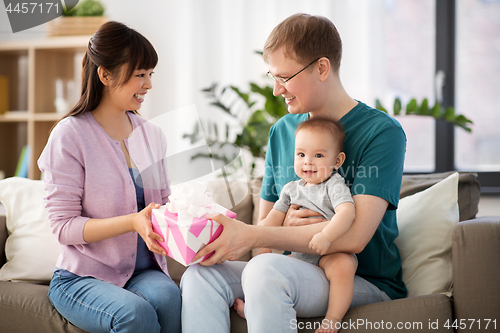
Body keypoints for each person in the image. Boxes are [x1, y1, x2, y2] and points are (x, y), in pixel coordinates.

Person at [181, 13, 407, 333]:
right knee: (201, 275)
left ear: (322, 68)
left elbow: (354, 237)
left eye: (284, 77)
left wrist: (258, 234)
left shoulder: (382, 132)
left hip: (359, 279)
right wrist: (269, 233)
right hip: (293, 270)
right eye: (273, 77)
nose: (276, 90)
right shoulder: (282, 131)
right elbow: (265, 235)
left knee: (266, 271)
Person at [38, 21, 181, 333]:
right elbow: (63, 227)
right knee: (134, 314)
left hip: (143, 272)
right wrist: (132, 221)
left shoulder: (152, 135)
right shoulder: (70, 135)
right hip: (81, 278)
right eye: (139, 75)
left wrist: (194, 223)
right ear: (105, 75)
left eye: (150, 74)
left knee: (170, 297)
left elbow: (164, 206)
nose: (148, 85)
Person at [234, 117, 357, 333]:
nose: (308, 162)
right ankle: (255, 308)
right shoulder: (291, 189)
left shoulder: (333, 184)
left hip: (329, 253)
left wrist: (326, 236)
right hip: (300, 257)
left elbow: (347, 213)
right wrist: (258, 241)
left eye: (318, 155)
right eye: (301, 154)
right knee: (266, 270)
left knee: (343, 266)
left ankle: (333, 319)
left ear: (337, 161)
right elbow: (272, 220)